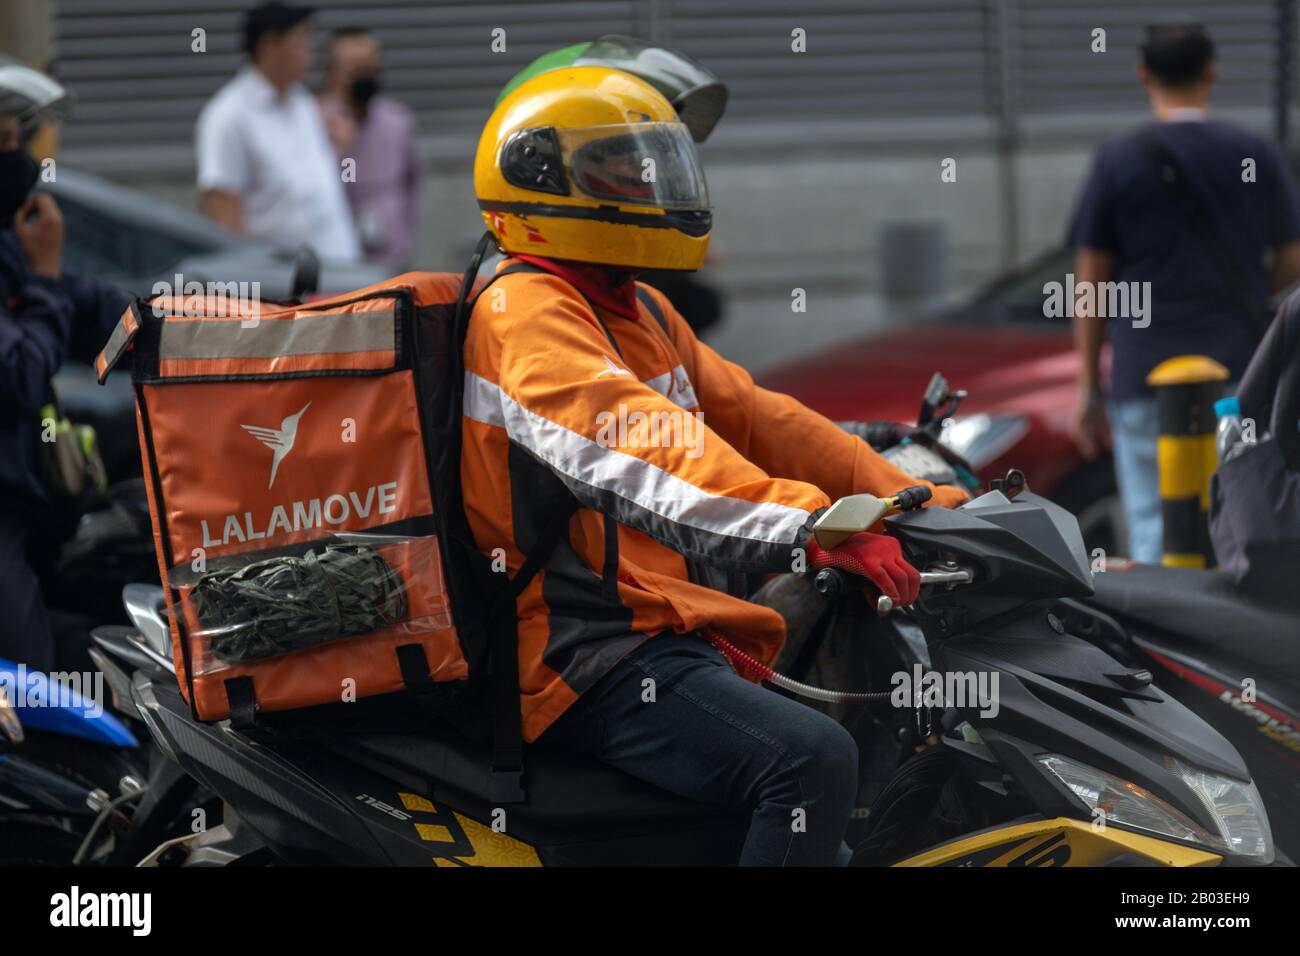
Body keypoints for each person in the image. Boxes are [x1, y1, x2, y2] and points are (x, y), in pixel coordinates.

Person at [463, 65, 969, 865]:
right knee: (809, 758)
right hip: (578, 650)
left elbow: (761, 420)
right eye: (620, 169)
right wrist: (817, 527)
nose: (645, 183)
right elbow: (646, 448)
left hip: (660, 620)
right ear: (542, 180)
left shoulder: (637, 307)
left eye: (649, 166)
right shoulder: (525, 313)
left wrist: (913, 500)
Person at [1067, 23, 1300, 563]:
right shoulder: (1254, 153)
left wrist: (1086, 385)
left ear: (1144, 75)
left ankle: (1160, 640)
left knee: (1152, 518)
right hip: (1242, 371)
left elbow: (1091, 281)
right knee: (1240, 508)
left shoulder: (1117, 160)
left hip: (1144, 372)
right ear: (1211, 72)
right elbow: (1292, 257)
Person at [0, 61, 131, 670]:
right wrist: (48, 279)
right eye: (14, 138)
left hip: (35, 507)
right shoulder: (28, 249)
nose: (28, 158)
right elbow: (19, 376)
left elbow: (95, 313)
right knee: (30, 682)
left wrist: (206, 329)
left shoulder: (10, 236)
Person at [195, 2, 359, 261]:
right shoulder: (229, 115)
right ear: (270, 45)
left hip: (340, 275)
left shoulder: (302, 102)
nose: (310, 46)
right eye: (302, 36)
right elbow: (223, 213)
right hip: (287, 292)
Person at [318, 27, 419, 271]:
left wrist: (407, 235)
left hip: (393, 257)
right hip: (336, 262)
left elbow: (413, 182)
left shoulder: (397, 120)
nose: (364, 77)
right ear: (333, 75)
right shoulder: (316, 121)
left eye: (369, 68)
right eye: (355, 69)